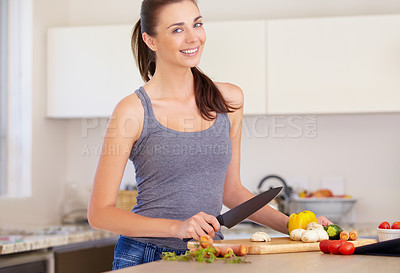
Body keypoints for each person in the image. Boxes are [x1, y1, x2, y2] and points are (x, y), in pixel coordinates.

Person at [87, 0, 333, 269]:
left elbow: (232, 191)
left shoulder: (228, 100)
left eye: (198, 24)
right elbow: (99, 213)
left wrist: (296, 226)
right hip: (145, 256)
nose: (194, 37)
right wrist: (177, 228)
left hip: (208, 255)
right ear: (151, 40)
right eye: (177, 30)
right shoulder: (132, 111)